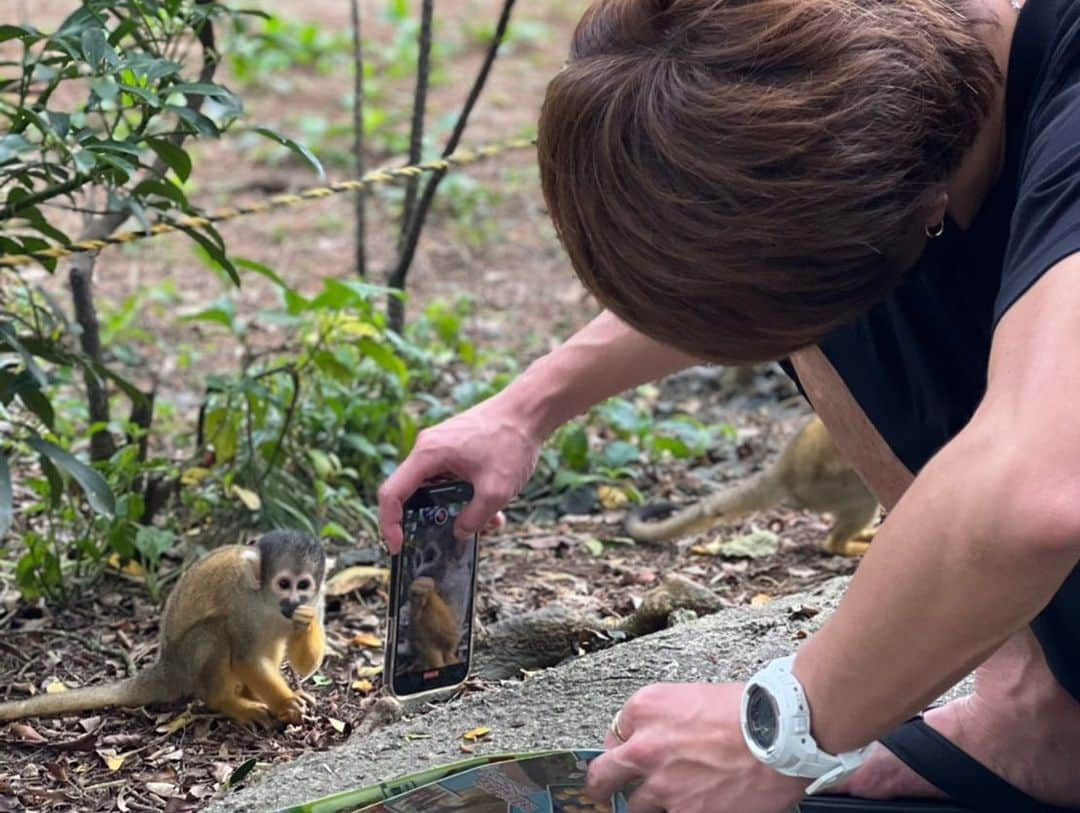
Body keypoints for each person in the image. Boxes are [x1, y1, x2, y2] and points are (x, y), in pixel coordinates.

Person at [378, 0, 1080, 809]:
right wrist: (524, 408)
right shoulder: (885, 75)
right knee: (813, 303)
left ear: (921, 205)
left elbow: (1036, 492)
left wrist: (785, 725)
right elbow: (777, 247)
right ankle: (1042, 705)